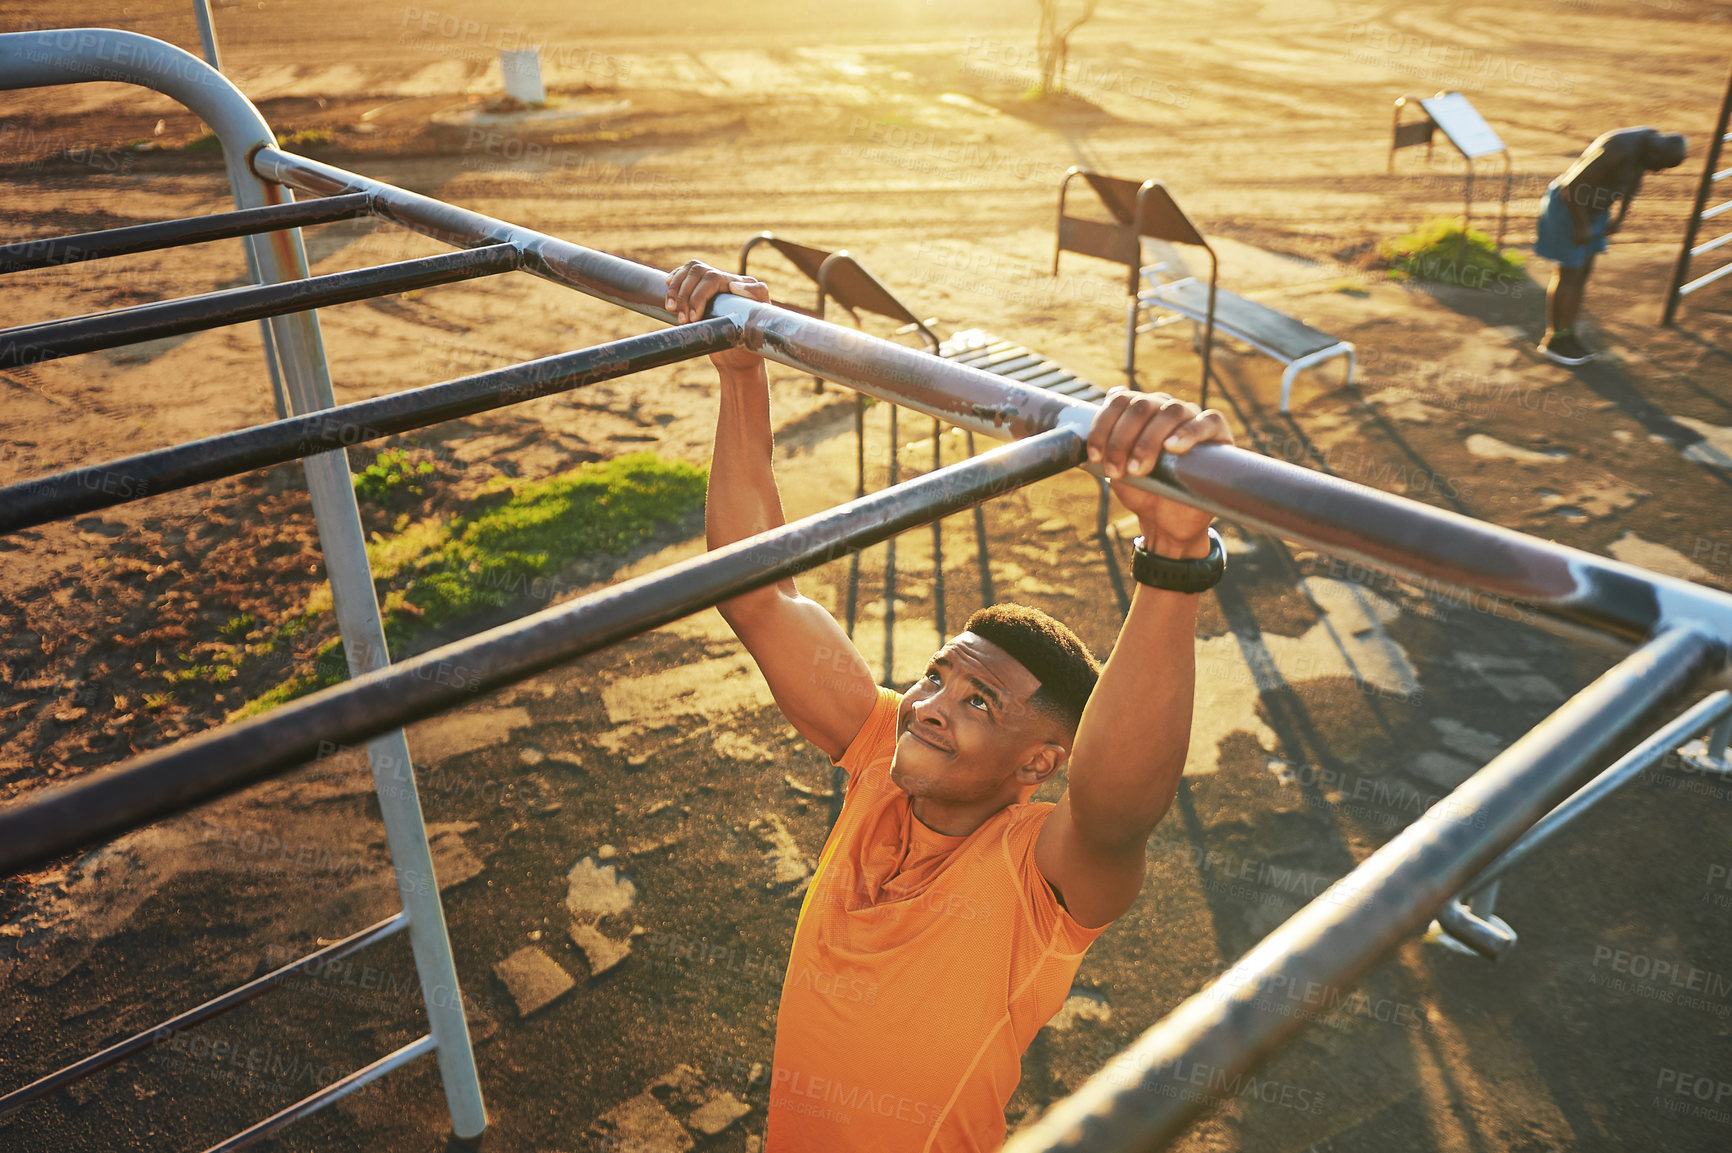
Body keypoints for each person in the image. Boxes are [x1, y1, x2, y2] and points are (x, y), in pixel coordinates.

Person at [665, 260, 1234, 1152]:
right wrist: (743, 369)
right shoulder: (879, 765)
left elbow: (1120, 805)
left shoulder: (1035, 879)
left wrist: (1171, 558)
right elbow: (757, 594)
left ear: (1041, 761)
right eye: (936, 676)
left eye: (980, 701)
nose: (929, 704)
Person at [1535, 127, 1687, 366]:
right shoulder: (1618, 148)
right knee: (1568, 274)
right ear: (1654, 153)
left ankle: (1567, 332)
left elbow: (1636, 179)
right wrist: (1581, 226)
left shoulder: (1648, 146)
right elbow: (1571, 188)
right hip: (1570, 209)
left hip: (1595, 211)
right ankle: (1554, 340)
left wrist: (1620, 217)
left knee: (1583, 274)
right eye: (1660, 166)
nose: (1659, 171)